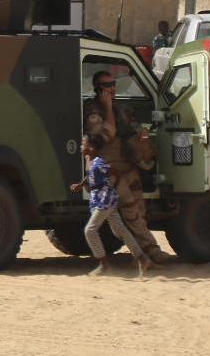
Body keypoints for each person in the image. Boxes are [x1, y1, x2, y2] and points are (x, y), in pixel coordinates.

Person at [83, 70, 174, 265]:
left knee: (140, 210)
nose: (112, 88)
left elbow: (134, 127)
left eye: (113, 84)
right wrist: (107, 108)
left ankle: (142, 253)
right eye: (107, 85)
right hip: (108, 171)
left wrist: (141, 135)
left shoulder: (121, 109)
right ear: (98, 89)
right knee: (131, 212)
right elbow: (106, 135)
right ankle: (151, 252)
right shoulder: (92, 111)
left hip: (126, 166)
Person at [70, 134, 152, 277]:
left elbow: (115, 172)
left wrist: (110, 189)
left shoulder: (99, 163)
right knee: (120, 230)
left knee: (90, 230)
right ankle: (142, 259)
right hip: (103, 200)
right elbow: (90, 175)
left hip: (104, 201)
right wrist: (81, 184)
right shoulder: (90, 161)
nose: (81, 147)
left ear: (91, 148)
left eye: (83, 144)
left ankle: (104, 265)